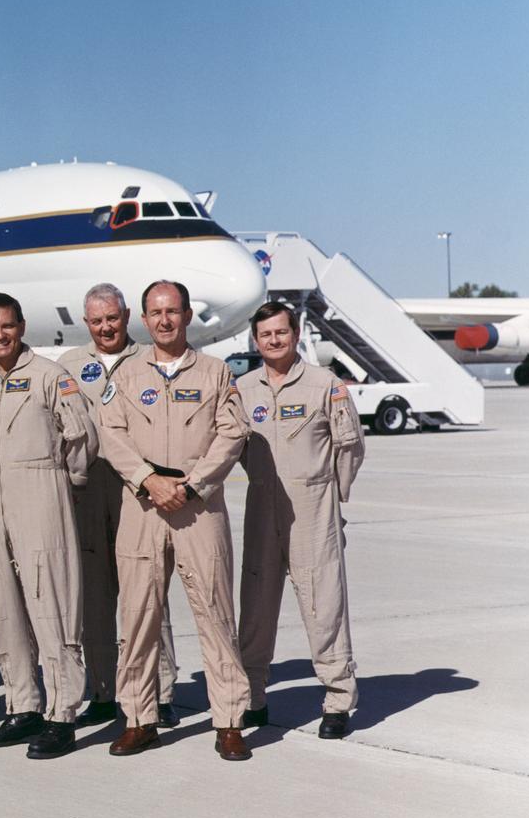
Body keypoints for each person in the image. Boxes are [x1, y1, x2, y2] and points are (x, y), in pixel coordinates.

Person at [98, 280, 253, 761]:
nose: (164, 320)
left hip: (197, 509)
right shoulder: (126, 375)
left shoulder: (214, 373)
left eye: (173, 311)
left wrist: (191, 485)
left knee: (214, 612)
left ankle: (228, 720)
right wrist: (149, 480)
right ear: (144, 319)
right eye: (155, 312)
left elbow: (233, 434)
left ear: (187, 316)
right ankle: (139, 718)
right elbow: (111, 435)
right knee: (139, 617)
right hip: (143, 508)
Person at [0, 292, 97, 760]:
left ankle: (62, 713)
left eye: (7, 326)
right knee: (5, 608)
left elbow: (82, 438)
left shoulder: (49, 377)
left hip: (42, 491)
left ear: (20, 326)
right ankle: (22, 704)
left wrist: (63, 485)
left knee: (52, 605)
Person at [237, 301, 365, 739]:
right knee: (255, 607)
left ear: (295, 334)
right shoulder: (242, 389)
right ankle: (253, 697)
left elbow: (349, 446)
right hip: (261, 507)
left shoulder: (324, 385)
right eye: (265, 335)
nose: (273, 341)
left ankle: (337, 699)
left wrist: (333, 497)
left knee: (322, 604)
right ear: (255, 340)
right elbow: (233, 448)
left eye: (281, 333)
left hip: (313, 508)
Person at [58, 283, 181, 729]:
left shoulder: (150, 358)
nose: (105, 327)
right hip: (91, 487)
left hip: (139, 489)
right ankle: (105, 691)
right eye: (96, 321)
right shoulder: (69, 366)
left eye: (112, 318)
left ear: (127, 316)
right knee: (94, 595)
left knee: (147, 591)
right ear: (85, 322)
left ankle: (161, 689)